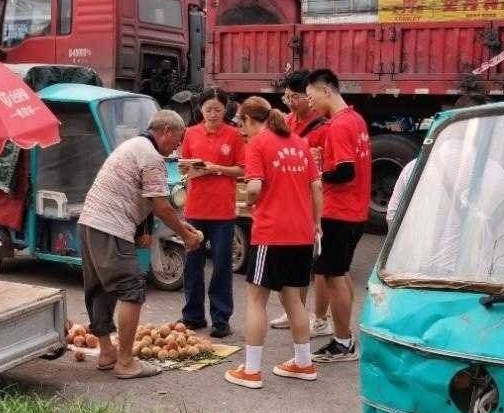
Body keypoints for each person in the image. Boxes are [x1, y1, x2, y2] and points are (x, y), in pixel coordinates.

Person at [78, 110, 202, 379]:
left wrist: (182, 227)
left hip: (89, 222)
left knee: (100, 288)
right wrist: (186, 235)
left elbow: (149, 200)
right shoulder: (151, 156)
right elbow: (161, 206)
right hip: (110, 227)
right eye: (177, 140)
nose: (177, 147)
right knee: (132, 288)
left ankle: (106, 351)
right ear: (166, 130)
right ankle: (125, 362)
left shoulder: (133, 146)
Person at [224, 96, 322, 389]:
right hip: (302, 233)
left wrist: (251, 202)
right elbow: (316, 186)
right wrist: (316, 223)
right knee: (294, 299)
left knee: (256, 300)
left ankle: (251, 370)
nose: (243, 132)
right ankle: (303, 363)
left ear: (250, 121)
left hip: (271, 233)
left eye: (243, 125)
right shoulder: (299, 143)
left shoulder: (258, 144)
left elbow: (253, 186)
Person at [305, 69, 371, 363]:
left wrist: (318, 174)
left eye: (311, 96)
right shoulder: (355, 119)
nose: (311, 104)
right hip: (355, 211)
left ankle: (343, 342)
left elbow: (345, 172)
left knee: (333, 276)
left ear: (326, 91)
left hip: (338, 211)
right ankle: (345, 336)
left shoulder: (340, 125)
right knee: (340, 274)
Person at [269, 70, 333, 338]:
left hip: (314, 199)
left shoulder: (324, 124)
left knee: (317, 264)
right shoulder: (286, 121)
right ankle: (296, 310)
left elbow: (330, 165)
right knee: (295, 264)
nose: (290, 101)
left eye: (295, 96)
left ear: (309, 97)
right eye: (287, 96)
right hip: (289, 199)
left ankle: (321, 317)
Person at [179, 88, 245, 338]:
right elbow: (182, 167)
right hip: (195, 208)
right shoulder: (190, 133)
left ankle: (220, 318)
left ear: (225, 110)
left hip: (223, 212)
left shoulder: (234, 135)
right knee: (192, 264)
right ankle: (193, 316)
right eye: (208, 110)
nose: (213, 114)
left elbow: (242, 169)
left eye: (218, 109)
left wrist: (217, 168)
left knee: (222, 267)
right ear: (201, 110)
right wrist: (193, 170)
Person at [385, 94, 491, 227]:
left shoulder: (413, 167)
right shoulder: (493, 172)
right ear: (487, 128)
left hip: (417, 247)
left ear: (453, 121)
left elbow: (393, 215)